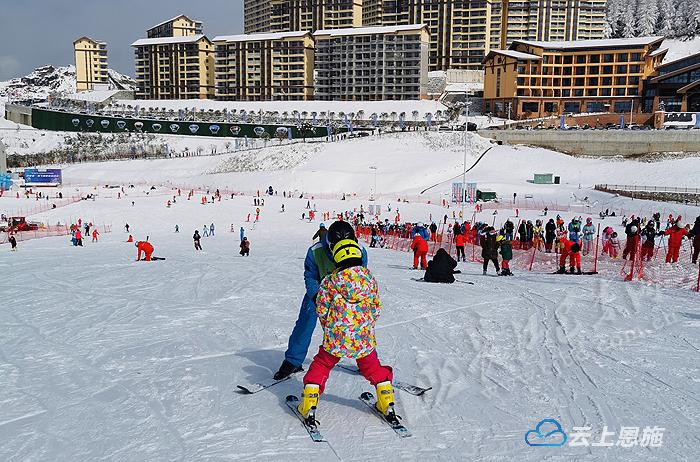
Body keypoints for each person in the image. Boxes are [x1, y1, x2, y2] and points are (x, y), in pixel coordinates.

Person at [295, 222, 395, 424]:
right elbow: (374, 306)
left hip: (336, 337)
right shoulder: (369, 278)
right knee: (373, 367)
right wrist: (365, 323)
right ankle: (386, 399)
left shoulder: (330, 282)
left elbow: (322, 308)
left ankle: (309, 401)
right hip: (363, 338)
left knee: (322, 364)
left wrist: (332, 325)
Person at [274, 220, 369, 380]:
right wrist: (316, 296)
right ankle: (293, 361)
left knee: (358, 325)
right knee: (305, 322)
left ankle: (366, 362)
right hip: (320, 292)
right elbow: (310, 275)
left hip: (347, 295)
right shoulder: (315, 251)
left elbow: (361, 275)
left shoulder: (360, 251)